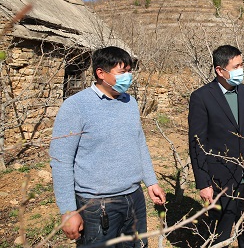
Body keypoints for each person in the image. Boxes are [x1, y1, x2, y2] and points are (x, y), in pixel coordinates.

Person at [50, 46, 165, 247]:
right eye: (122, 72)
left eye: (130, 71)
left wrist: (151, 182)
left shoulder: (130, 102)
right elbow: (61, 161)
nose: (128, 77)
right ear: (101, 73)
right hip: (97, 206)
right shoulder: (75, 106)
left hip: (134, 198)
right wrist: (68, 211)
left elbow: (139, 143)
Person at [188, 45, 244, 248]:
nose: (241, 70)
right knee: (220, 235)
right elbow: (196, 143)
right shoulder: (201, 97)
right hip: (220, 179)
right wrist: (204, 183)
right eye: (236, 66)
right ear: (220, 70)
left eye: (242, 64)